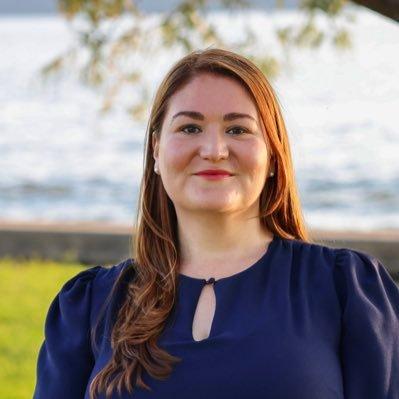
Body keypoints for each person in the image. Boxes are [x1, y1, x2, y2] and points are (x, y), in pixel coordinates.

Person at [33, 48, 399, 399]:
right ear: (157, 152)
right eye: (190, 128)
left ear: (272, 155)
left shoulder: (346, 291)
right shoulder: (90, 306)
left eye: (238, 130)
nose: (214, 149)